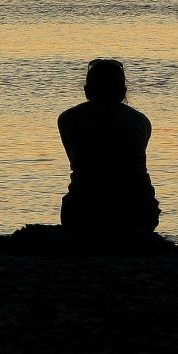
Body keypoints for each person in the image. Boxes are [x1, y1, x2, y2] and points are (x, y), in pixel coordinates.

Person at [57, 59, 160, 232]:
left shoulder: (68, 119)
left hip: (83, 213)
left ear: (87, 91)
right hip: (139, 214)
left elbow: (78, 162)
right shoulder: (141, 121)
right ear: (123, 92)